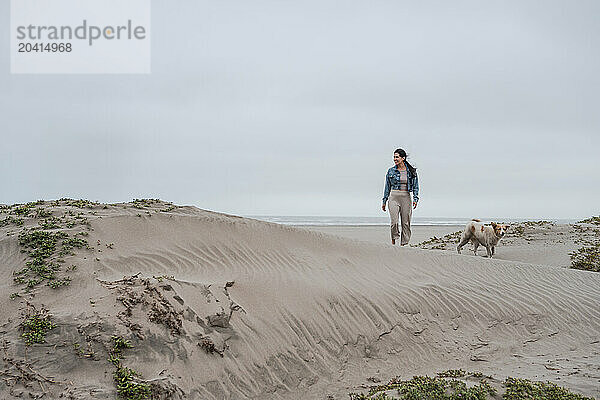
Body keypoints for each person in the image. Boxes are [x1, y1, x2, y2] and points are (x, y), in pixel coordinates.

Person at [381, 148, 419, 245]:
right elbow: (387, 187)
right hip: (393, 197)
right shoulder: (391, 171)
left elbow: (415, 186)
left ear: (403, 158)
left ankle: (404, 244)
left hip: (406, 197)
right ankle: (394, 241)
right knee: (394, 222)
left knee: (405, 223)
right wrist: (384, 201)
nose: (395, 159)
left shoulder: (411, 171)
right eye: (394, 157)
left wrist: (415, 198)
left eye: (397, 157)